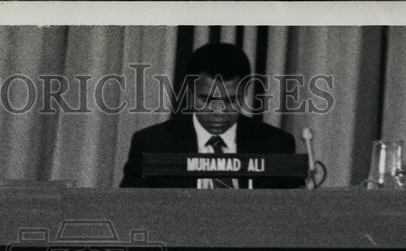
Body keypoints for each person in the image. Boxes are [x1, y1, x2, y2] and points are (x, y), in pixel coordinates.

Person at [120, 42, 300, 189]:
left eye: (230, 100)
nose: (219, 111)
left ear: (245, 93)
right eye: (206, 99)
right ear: (190, 92)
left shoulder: (277, 145)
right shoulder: (151, 144)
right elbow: (130, 211)